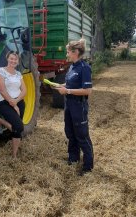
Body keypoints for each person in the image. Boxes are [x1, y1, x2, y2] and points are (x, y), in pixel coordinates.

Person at [53, 39, 94, 175]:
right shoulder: (71, 67)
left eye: (68, 51)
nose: (67, 54)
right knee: (70, 132)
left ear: (76, 52)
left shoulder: (84, 68)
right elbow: (70, 84)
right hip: (69, 105)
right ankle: (73, 158)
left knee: (82, 135)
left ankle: (88, 166)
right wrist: (62, 86)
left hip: (79, 105)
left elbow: (87, 91)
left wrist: (68, 91)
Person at [0, 51, 27, 158]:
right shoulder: (1, 71)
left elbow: (24, 90)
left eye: (15, 59)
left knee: (17, 129)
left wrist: (17, 102)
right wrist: (13, 105)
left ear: (18, 61)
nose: (13, 61)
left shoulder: (18, 74)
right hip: (5, 102)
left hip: (19, 102)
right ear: (7, 58)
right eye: (11, 58)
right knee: (19, 127)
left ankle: (14, 155)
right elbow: (2, 90)